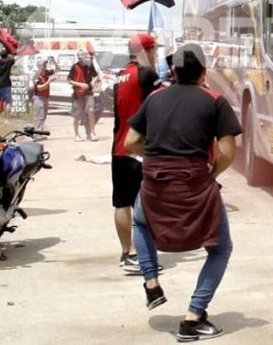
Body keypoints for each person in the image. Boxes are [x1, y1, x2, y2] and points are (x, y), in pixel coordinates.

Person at [124, 44, 241, 341]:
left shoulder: (154, 98)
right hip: (194, 182)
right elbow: (227, 151)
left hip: (154, 181)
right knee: (220, 248)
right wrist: (212, 173)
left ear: (173, 72)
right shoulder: (215, 101)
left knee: (139, 221)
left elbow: (131, 141)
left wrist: (154, 155)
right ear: (204, 73)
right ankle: (193, 317)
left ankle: (151, 283)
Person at [112, 34, 160, 274]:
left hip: (119, 146)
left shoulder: (119, 75)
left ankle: (126, 252)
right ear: (147, 51)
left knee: (122, 202)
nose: (157, 55)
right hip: (139, 148)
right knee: (146, 204)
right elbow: (161, 105)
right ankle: (141, 255)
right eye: (155, 50)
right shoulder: (147, 75)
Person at [69, 49, 100, 141]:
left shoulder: (89, 66)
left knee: (91, 112)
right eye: (78, 56)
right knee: (78, 114)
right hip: (78, 94)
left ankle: (92, 133)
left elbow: (96, 75)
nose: (80, 57)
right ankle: (76, 134)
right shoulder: (74, 67)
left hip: (89, 92)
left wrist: (93, 81)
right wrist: (80, 84)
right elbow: (69, 80)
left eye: (82, 55)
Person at [32, 57, 55, 134]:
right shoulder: (37, 75)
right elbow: (39, 88)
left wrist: (54, 61)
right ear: (40, 66)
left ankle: (40, 132)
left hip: (46, 97)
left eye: (45, 64)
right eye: (43, 64)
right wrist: (49, 81)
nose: (45, 66)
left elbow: (58, 69)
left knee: (44, 116)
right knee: (40, 116)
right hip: (39, 97)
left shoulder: (46, 73)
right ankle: (37, 134)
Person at [0, 47, 14, 120]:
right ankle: (7, 119)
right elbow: (12, 58)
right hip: (6, 85)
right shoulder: (9, 62)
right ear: (7, 56)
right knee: (8, 102)